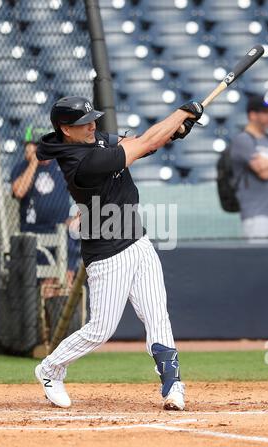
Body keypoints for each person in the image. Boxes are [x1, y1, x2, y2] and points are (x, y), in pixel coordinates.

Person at [35, 96, 203, 410]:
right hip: (107, 249)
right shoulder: (80, 164)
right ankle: (49, 368)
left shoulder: (93, 138)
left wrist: (176, 130)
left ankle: (172, 384)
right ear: (64, 130)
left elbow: (145, 143)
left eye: (92, 120)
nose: (92, 127)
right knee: (101, 329)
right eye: (83, 124)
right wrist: (181, 112)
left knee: (156, 314)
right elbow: (144, 144)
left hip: (137, 239)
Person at [11, 126, 80, 286]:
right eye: (32, 145)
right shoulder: (21, 168)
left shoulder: (62, 165)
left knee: (66, 275)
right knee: (45, 283)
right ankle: (48, 299)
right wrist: (34, 161)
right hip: (34, 232)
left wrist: (74, 215)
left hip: (61, 229)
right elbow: (19, 191)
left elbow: (82, 190)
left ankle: (62, 298)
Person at [230, 95, 268, 241]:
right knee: (260, 261)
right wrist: (265, 165)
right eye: (266, 112)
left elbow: (267, 169)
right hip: (257, 215)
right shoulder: (243, 139)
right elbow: (263, 172)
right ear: (253, 115)